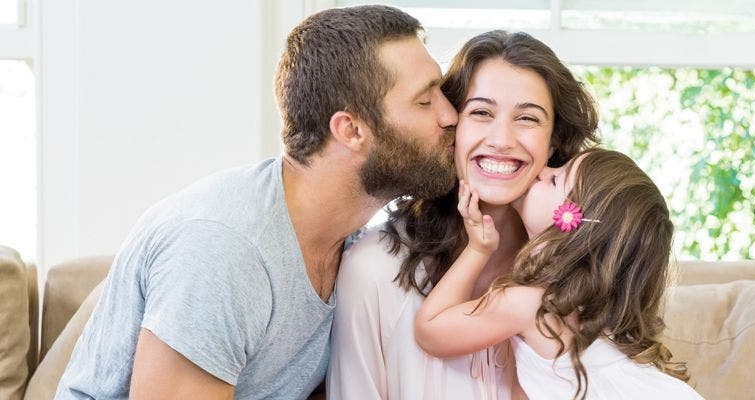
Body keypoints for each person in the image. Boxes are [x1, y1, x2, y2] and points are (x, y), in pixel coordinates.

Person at [55, 5, 458, 399]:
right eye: (425, 101)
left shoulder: (350, 240)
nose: (450, 115)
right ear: (350, 130)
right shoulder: (225, 251)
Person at [328, 30, 599, 399]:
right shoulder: (374, 269)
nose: (502, 139)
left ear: (553, 140)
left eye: (528, 119)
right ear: (451, 126)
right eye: (481, 113)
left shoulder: (589, 272)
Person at [415, 148, 703, 400]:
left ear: (573, 224)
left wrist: (478, 249)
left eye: (555, 179)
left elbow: (430, 331)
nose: (542, 171)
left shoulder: (530, 303)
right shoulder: (597, 316)